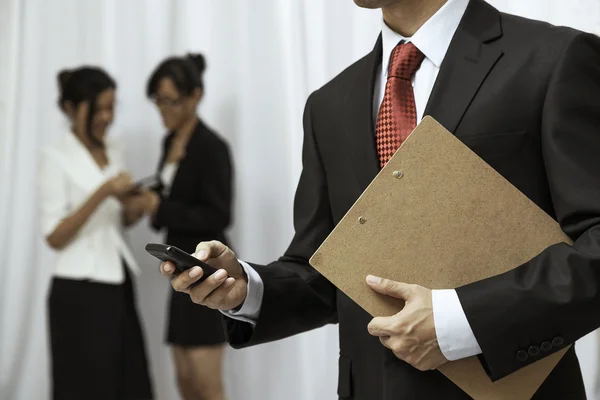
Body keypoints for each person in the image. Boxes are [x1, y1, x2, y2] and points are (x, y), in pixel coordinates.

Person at [162, 0, 600, 398]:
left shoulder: (554, 58)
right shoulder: (329, 105)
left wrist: (462, 321)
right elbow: (323, 272)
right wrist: (246, 288)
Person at [40, 66, 153, 399]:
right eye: (98, 108)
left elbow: (116, 222)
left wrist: (134, 207)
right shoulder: (55, 157)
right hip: (78, 291)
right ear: (70, 109)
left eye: (111, 107)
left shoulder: (114, 149)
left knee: (129, 382)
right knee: (86, 386)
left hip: (118, 282)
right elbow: (54, 237)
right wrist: (103, 191)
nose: (107, 116)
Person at [138, 54, 233, 400]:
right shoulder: (170, 142)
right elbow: (169, 198)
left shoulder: (212, 148)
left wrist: (160, 207)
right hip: (179, 266)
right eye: (158, 100)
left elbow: (218, 216)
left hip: (207, 269)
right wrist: (153, 203)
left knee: (206, 383)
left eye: (171, 101)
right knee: (184, 378)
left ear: (195, 96)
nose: (163, 109)